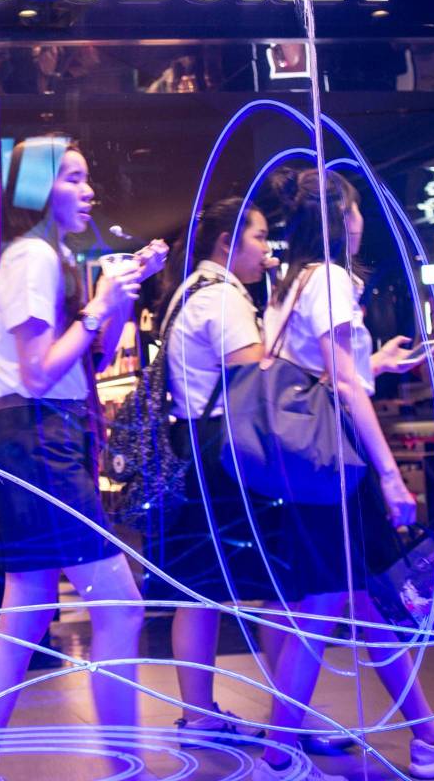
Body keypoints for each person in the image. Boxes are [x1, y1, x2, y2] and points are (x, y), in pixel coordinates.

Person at [252, 168, 434, 781]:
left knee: (363, 603)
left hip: (312, 467)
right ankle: (278, 753)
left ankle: (429, 736)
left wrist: (378, 363)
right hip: (340, 465)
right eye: (357, 211)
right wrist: (391, 475)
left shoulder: (290, 287)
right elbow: (338, 382)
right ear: (342, 220)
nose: (363, 222)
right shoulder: (333, 279)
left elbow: (322, 372)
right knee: (326, 604)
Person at [0, 137, 166, 781]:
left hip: (42, 440)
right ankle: (123, 766)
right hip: (37, 442)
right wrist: (101, 303)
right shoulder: (31, 259)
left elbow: (90, 361)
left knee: (23, 613)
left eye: (85, 178)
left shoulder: (53, 259)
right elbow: (39, 372)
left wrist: (119, 297)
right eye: (72, 178)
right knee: (118, 605)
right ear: (39, 190)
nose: (87, 190)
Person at [150, 197, 283, 742]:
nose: (267, 249)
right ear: (226, 242)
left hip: (195, 448)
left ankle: (200, 713)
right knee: (281, 585)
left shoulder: (188, 292)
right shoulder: (224, 299)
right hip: (228, 452)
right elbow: (259, 375)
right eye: (259, 237)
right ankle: (291, 717)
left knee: (199, 589)